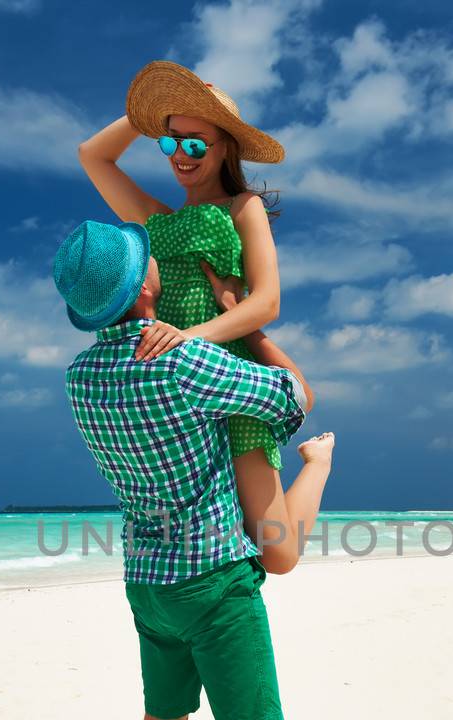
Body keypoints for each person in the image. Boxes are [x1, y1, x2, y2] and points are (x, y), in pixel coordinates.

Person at [54, 218, 318, 720]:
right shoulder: (183, 363)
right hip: (210, 577)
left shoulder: (80, 377)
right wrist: (252, 324)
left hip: (148, 579)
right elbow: (292, 398)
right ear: (145, 287)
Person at [78, 60, 334, 574]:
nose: (181, 155)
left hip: (227, 377)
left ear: (225, 149)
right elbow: (93, 155)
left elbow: (267, 303)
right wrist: (157, 113)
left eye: (196, 143)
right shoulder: (156, 220)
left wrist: (188, 338)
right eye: (171, 143)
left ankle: (319, 463)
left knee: (278, 554)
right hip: (175, 393)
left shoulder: (243, 208)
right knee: (202, 538)